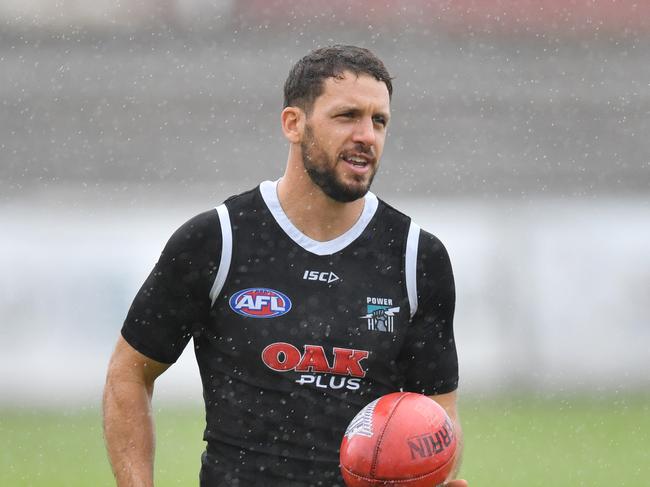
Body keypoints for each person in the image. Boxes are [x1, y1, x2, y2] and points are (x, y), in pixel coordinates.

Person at [103, 45, 468, 487]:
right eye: (347, 115)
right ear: (294, 124)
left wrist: (434, 473)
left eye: (379, 121)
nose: (367, 136)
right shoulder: (217, 240)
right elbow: (129, 373)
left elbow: (439, 413)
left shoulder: (416, 256)